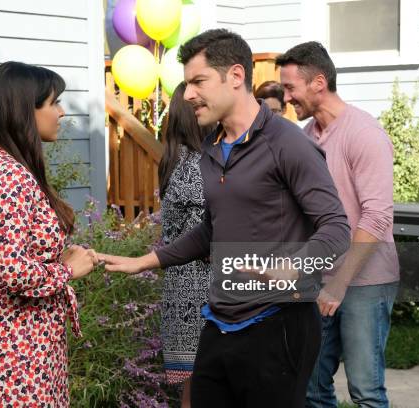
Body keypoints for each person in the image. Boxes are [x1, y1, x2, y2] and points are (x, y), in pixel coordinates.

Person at [100, 29, 350, 408]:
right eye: (186, 84)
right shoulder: (211, 148)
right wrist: (145, 262)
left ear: (235, 76)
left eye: (198, 81)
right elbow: (212, 230)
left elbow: (336, 227)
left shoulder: (288, 143)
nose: (187, 95)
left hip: (279, 323)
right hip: (220, 321)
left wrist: (296, 267)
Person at [0, 61, 98, 407]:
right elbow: (14, 271)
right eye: (53, 103)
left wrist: (55, 259)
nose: (62, 112)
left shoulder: (4, 165)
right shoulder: (9, 175)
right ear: (25, 110)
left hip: (24, 343)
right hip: (14, 352)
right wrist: (68, 270)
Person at [276, 42, 400, 408]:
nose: (286, 97)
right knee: (312, 386)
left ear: (318, 83)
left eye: (290, 87)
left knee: (366, 392)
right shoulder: (305, 138)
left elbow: (377, 216)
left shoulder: (364, 134)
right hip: (319, 279)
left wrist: (340, 283)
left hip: (365, 280)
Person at [158, 82, 213, 407]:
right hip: (197, 284)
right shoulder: (194, 164)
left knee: (194, 384)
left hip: (183, 281)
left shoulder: (175, 157)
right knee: (201, 383)